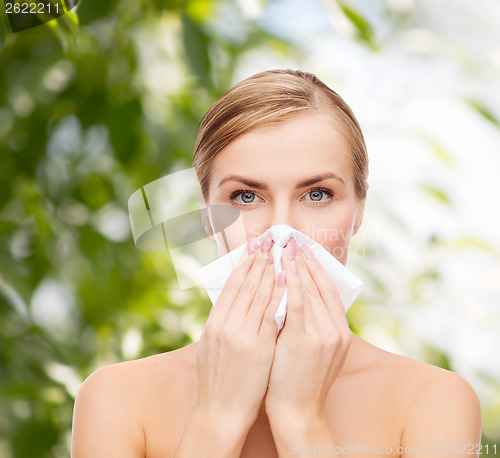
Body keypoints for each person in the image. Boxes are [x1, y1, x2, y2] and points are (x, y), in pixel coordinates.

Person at [71, 69, 482, 457]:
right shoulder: (116, 399)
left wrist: (300, 419)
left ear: (358, 211)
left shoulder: (434, 402)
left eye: (317, 194)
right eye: (246, 197)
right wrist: (218, 419)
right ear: (206, 216)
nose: (281, 231)